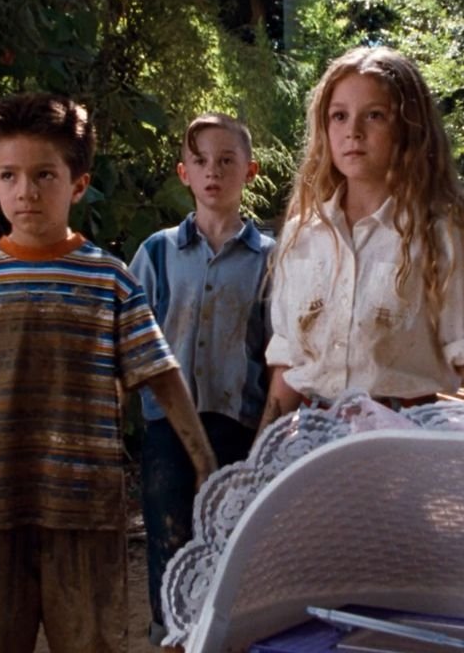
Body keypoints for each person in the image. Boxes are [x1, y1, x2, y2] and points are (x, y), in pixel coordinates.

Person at [0, 92, 217, 653]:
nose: (26, 191)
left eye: (44, 174)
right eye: (10, 175)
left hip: (86, 513)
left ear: (78, 184)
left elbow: (161, 376)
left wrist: (204, 462)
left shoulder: (109, 280)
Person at [259, 46, 464, 428]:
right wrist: (261, 453)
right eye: (339, 116)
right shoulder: (302, 236)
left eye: (374, 115)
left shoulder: (439, 235)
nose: (353, 131)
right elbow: (286, 368)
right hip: (312, 443)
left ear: (409, 129)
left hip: (404, 443)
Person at [128, 113, 274, 645]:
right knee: (168, 536)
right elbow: (130, 339)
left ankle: (226, 637)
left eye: (226, 161)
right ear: (183, 172)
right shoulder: (156, 253)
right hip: (166, 428)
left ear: (250, 172)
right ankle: (169, 634)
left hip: (240, 426)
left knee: (232, 542)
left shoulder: (270, 259)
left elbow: (279, 350)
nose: (213, 171)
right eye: (201, 161)